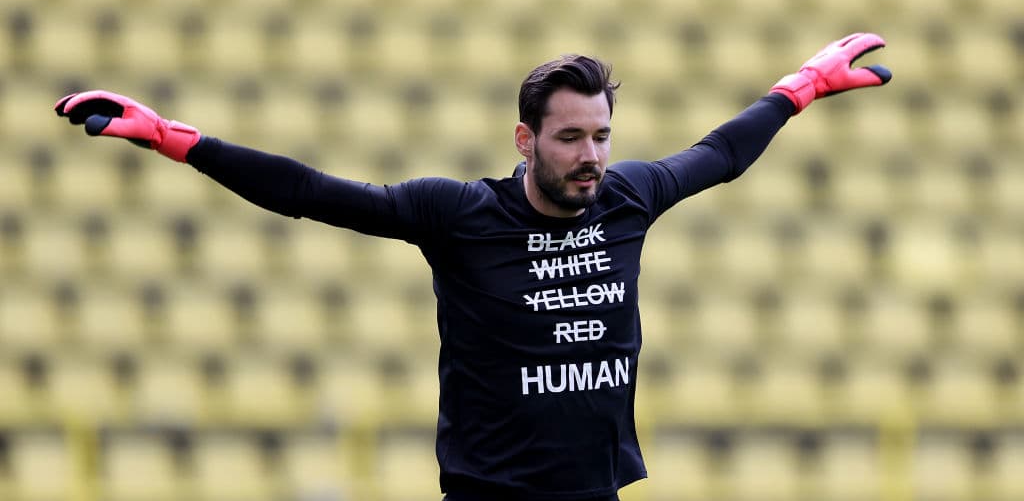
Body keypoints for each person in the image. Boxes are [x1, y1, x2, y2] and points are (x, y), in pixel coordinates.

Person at [55, 33, 891, 501]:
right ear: (526, 140)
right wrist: (175, 139)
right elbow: (314, 192)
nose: (592, 156)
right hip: (491, 497)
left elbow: (720, 154)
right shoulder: (458, 216)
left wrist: (803, 86)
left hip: (595, 490)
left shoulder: (628, 198)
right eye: (571, 138)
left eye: (601, 135)